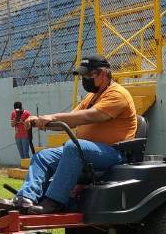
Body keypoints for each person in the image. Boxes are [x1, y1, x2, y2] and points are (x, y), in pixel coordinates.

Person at [11, 56, 138, 214]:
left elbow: (89, 116)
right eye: (83, 76)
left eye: (88, 76)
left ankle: (55, 201)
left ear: (103, 74)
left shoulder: (118, 95)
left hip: (112, 153)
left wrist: (53, 117)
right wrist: (40, 121)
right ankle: (25, 198)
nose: (85, 80)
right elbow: (72, 120)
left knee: (73, 147)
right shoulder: (91, 97)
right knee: (43, 156)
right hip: (87, 151)